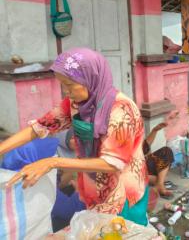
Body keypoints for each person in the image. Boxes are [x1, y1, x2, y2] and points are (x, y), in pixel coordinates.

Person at [0, 48, 148, 226]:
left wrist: (52, 162)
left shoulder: (121, 110)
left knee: (120, 233)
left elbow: (112, 163)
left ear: (90, 78)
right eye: (62, 84)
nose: (66, 91)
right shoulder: (77, 104)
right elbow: (40, 127)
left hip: (122, 193)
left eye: (70, 85)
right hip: (94, 189)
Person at [143, 120, 178, 199]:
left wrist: (154, 130)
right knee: (157, 177)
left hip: (143, 164)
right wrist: (146, 177)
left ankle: (159, 183)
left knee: (166, 151)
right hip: (134, 172)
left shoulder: (131, 133)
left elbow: (144, 147)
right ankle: (159, 182)